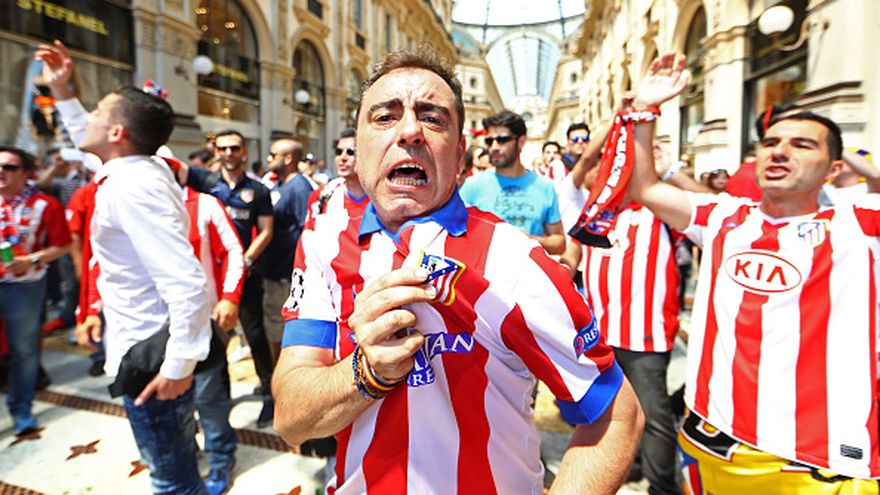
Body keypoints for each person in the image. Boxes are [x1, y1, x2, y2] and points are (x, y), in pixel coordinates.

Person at [272, 48, 643, 494]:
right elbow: (291, 420)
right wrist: (366, 372)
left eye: (432, 119)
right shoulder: (322, 241)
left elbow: (616, 415)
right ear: (359, 145)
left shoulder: (514, 258)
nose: (410, 131)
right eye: (385, 117)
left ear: (460, 153)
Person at [627, 53, 880, 493]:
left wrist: (862, 160)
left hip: (818, 462)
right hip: (716, 444)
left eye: (803, 145)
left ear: (834, 168)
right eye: (770, 142)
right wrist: (645, 110)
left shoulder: (860, 224)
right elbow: (645, 186)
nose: (779, 151)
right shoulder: (722, 216)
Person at [70, 84, 212, 495]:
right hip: (144, 347)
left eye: (97, 112)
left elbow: (187, 284)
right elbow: (86, 138)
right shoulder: (131, 172)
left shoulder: (132, 185)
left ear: (117, 133)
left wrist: (177, 367)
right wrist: (62, 91)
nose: (89, 119)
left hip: (150, 359)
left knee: (172, 482)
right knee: (174, 471)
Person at [186, 129, 277, 428]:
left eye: (234, 148)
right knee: (212, 338)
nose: (228, 153)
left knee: (255, 335)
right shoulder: (205, 184)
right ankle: (220, 397)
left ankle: (269, 395)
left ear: (244, 152)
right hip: (209, 278)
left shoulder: (258, 190)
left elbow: (266, 231)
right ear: (215, 152)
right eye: (222, 148)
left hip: (246, 276)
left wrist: (244, 261)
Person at [0, 146, 72, 435]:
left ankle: (21, 409)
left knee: (24, 350)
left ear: (26, 173)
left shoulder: (44, 204)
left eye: (9, 167)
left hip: (25, 286)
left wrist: (31, 259)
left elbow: (63, 245)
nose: (1, 172)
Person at [259, 137, 314, 427]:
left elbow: (308, 231)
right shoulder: (280, 186)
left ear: (288, 158)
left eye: (273, 155)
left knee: (284, 335)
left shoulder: (300, 188)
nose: (269, 160)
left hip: (286, 276)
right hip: (274, 273)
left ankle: (286, 393)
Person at [460, 110, 565, 255]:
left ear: (521, 141)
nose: (494, 147)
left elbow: (559, 243)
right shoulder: (471, 186)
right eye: (489, 141)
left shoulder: (544, 186)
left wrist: (530, 241)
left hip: (529, 268)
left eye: (502, 140)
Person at [306, 128, 369, 220]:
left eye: (351, 152)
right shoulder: (322, 196)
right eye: (338, 152)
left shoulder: (380, 200)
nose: (343, 158)